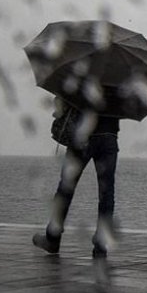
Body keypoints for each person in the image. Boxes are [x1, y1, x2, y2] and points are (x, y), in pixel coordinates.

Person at [33, 97, 120, 256]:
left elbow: (66, 99)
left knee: (66, 188)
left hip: (82, 135)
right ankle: (101, 245)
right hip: (109, 135)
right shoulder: (121, 76)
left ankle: (53, 238)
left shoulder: (85, 73)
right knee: (107, 192)